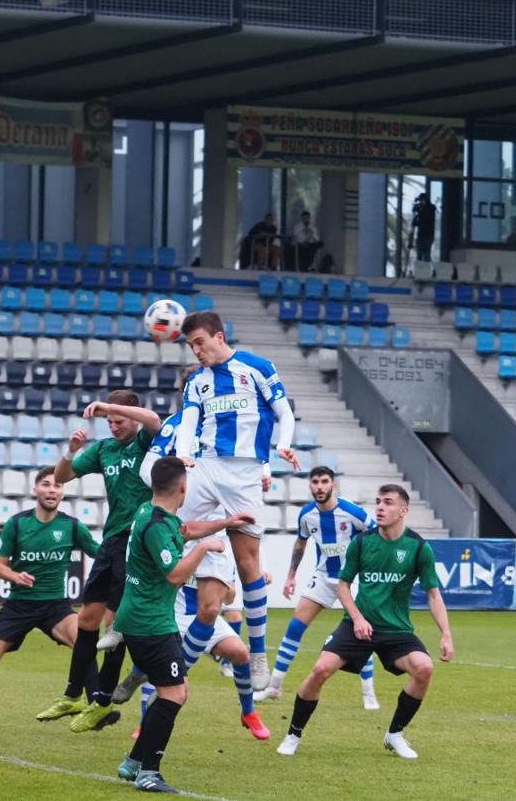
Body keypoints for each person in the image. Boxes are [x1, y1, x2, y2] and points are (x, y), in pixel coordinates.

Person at [277, 485, 454, 759]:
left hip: (396, 628)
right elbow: (343, 586)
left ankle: (395, 734)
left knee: (424, 668)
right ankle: (293, 734)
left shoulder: (419, 548)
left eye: (388, 503)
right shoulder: (362, 542)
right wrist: (357, 618)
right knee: (320, 670)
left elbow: (433, 594)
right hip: (357, 625)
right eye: (378, 502)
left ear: (403, 511)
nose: (380, 507)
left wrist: (446, 633)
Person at [175, 311, 301, 692]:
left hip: (245, 473)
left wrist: (283, 444)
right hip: (207, 467)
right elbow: (188, 421)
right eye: (190, 345)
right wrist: (183, 452)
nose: (196, 351)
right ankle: (148, 617)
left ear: (218, 335)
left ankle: (259, 652)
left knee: (249, 563)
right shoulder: (197, 382)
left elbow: (284, 411)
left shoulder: (257, 367)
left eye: (199, 342)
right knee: (172, 533)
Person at [36, 390, 156, 734]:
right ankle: (73, 694)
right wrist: (71, 451)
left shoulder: (146, 441)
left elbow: (155, 421)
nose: (114, 426)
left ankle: (101, 702)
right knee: (87, 620)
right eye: (109, 422)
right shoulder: (104, 450)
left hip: (136, 541)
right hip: (111, 540)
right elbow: (60, 477)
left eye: (119, 421)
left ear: (131, 416)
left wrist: (109, 406)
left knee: (115, 627)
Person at [0, 467, 100, 731]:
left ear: (63, 493)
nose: (52, 490)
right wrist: (15, 576)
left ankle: (96, 707)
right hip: (18, 606)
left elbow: (101, 554)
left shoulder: (72, 526)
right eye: (46, 485)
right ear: (35, 490)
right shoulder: (17, 524)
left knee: (83, 640)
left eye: (57, 486)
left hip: (55, 605)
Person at [113, 457, 225, 794]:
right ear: (183, 487)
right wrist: (204, 548)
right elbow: (175, 574)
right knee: (175, 694)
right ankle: (149, 772)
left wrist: (227, 522)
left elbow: (185, 529)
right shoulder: (157, 525)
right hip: (150, 623)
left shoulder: (149, 512)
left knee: (176, 691)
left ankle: (133, 762)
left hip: (143, 618)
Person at [255, 466, 379, 710]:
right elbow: (300, 544)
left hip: (351, 579)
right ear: (310, 485)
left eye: (324, 481)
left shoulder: (352, 511)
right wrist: (291, 576)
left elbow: (376, 535)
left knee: (361, 631)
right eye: (315, 482)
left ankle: (369, 692)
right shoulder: (306, 515)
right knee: (295, 626)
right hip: (323, 577)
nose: (320, 486)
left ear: (333, 484)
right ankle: (274, 686)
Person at [412, 193, 436, 263]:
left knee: (426, 255)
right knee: (419, 255)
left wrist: (419, 211)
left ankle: (425, 271)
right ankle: (420, 270)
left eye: (422, 201)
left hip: (428, 235)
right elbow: (417, 222)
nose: (421, 203)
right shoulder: (422, 209)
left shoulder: (431, 208)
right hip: (421, 235)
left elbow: (426, 220)